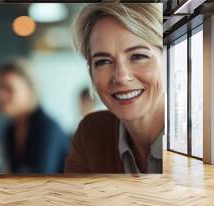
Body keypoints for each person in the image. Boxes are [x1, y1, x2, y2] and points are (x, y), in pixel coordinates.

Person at [65, 3, 164, 173]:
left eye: (138, 56)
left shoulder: (199, 142)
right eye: (103, 61)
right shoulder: (91, 133)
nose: (121, 76)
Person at [0, 60, 69, 173]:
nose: (0, 95)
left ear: (30, 91)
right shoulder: (10, 130)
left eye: (9, 89)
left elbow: (40, 182)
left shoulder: (47, 128)